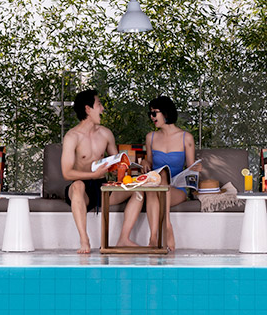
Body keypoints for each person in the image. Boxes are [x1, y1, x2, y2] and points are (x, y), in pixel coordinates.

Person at [61, 89, 144, 254]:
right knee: (77, 186)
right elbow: (67, 173)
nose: (103, 109)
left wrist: (120, 170)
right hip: (81, 190)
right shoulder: (72, 137)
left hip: (102, 186)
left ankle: (123, 239)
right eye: (99, 104)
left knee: (139, 190)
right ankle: (84, 240)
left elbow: (118, 164)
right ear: (87, 109)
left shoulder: (106, 134)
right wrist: (93, 175)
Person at [142, 95, 198, 251]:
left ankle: (166, 227)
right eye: (150, 114)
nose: (152, 117)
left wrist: (196, 169)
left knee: (163, 178)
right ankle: (154, 238)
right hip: (155, 187)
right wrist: (145, 162)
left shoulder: (186, 138)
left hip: (176, 189)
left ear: (165, 113)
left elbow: (191, 170)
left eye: (154, 113)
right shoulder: (150, 137)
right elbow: (151, 165)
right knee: (156, 184)